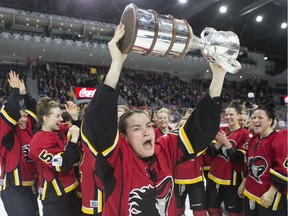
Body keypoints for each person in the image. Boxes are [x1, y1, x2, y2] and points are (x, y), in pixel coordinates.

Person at [82, 23, 227, 215]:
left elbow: (198, 131)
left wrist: (218, 75)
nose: (146, 131)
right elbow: (98, 122)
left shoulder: (164, 150)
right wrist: (117, 62)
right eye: (136, 128)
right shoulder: (116, 159)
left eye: (148, 125)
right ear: (122, 137)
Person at [29, 97, 81, 216]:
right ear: (46, 118)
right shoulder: (38, 142)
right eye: (57, 116)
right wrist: (72, 141)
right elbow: (63, 165)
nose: (61, 119)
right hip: (55, 196)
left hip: (72, 189)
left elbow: (79, 133)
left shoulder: (59, 129)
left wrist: (75, 118)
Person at [0, 71, 39, 216]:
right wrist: (15, 91)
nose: (23, 119)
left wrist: (25, 94)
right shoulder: (6, 133)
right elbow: (9, 109)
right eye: (19, 117)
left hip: (30, 187)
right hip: (13, 189)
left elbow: (34, 109)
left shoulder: (26, 127)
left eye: (25, 116)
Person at [239, 106, 287, 216]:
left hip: (269, 196)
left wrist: (271, 192)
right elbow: (249, 163)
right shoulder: (254, 139)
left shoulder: (279, 139)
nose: (255, 120)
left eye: (260, 117)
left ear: (270, 121)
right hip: (251, 192)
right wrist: (244, 181)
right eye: (253, 117)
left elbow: (283, 169)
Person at [206, 100, 252, 216]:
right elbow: (211, 153)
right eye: (226, 114)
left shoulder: (245, 134)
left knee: (235, 212)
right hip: (214, 178)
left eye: (231, 114)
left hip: (233, 181)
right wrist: (218, 144)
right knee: (212, 210)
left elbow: (239, 159)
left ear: (238, 115)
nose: (228, 117)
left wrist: (226, 142)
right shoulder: (221, 131)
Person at [174, 109, 208, 216]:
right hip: (177, 180)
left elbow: (211, 153)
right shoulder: (171, 141)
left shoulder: (200, 140)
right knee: (177, 210)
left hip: (196, 180)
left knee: (200, 211)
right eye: (182, 127)